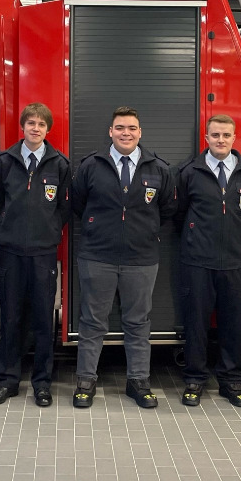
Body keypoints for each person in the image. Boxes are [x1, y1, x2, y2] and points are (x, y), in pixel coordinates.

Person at [71, 106, 176, 409]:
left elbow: (167, 209)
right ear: (111, 132)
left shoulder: (158, 169)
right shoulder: (91, 166)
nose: (125, 133)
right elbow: (78, 203)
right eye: (120, 128)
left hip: (141, 259)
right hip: (97, 257)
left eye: (131, 128)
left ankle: (138, 382)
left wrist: (143, 232)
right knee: (92, 322)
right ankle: (85, 381)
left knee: (138, 322)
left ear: (140, 132)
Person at [175, 115, 241, 408]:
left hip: (236, 263)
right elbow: (180, 213)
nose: (221, 140)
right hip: (197, 261)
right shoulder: (189, 171)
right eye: (215, 135)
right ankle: (194, 380)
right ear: (206, 138)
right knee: (196, 323)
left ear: (234, 138)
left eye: (226, 135)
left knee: (232, 324)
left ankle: (231, 381)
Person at [0, 102, 71, 408]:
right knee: (10, 317)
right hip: (10, 252)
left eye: (41, 124)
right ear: (22, 127)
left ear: (48, 130)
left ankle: (41, 384)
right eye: (31, 123)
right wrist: (9, 226)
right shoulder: (4, 161)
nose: (35, 128)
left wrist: (49, 229)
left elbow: (64, 206)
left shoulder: (60, 163)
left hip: (43, 254)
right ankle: (7, 381)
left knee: (42, 319)